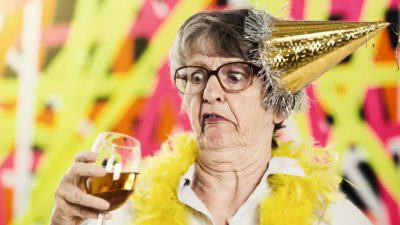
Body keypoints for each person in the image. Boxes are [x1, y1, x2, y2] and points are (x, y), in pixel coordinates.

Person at [50, 7, 386, 225]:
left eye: (234, 76)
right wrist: (63, 221)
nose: (210, 92)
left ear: (277, 102)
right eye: (196, 76)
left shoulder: (329, 217)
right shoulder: (124, 210)